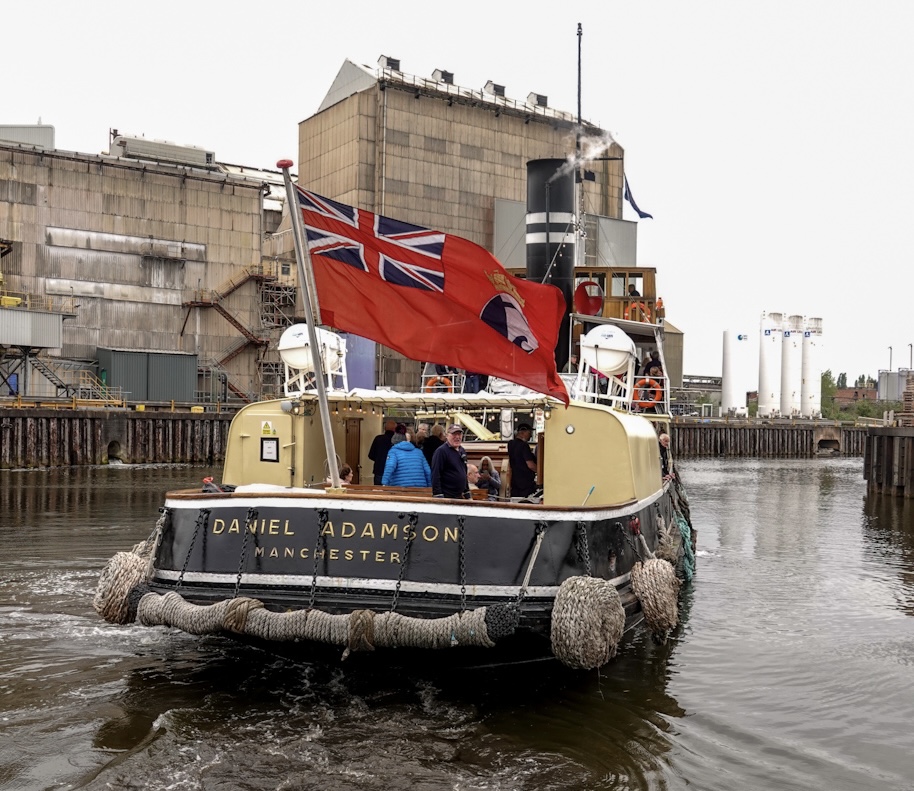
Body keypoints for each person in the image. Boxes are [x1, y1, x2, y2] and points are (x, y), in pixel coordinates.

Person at [431, 424, 470, 499]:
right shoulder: (441, 451)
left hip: (459, 497)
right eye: (454, 434)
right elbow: (436, 474)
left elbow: (464, 473)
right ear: (447, 435)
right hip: (447, 496)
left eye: (459, 434)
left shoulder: (462, 451)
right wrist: (438, 495)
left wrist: (467, 493)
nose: (457, 437)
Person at [507, 423, 538, 498]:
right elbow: (530, 464)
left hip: (515, 482)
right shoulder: (524, 446)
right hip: (525, 483)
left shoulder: (510, 444)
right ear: (522, 432)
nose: (530, 436)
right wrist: (540, 472)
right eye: (529, 433)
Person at [368, 420, 396, 485]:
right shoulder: (395, 441)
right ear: (394, 429)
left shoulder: (378, 439)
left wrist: (379, 459)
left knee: (378, 492)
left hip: (379, 471)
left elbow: (371, 455)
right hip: (392, 473)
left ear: (385, 428)